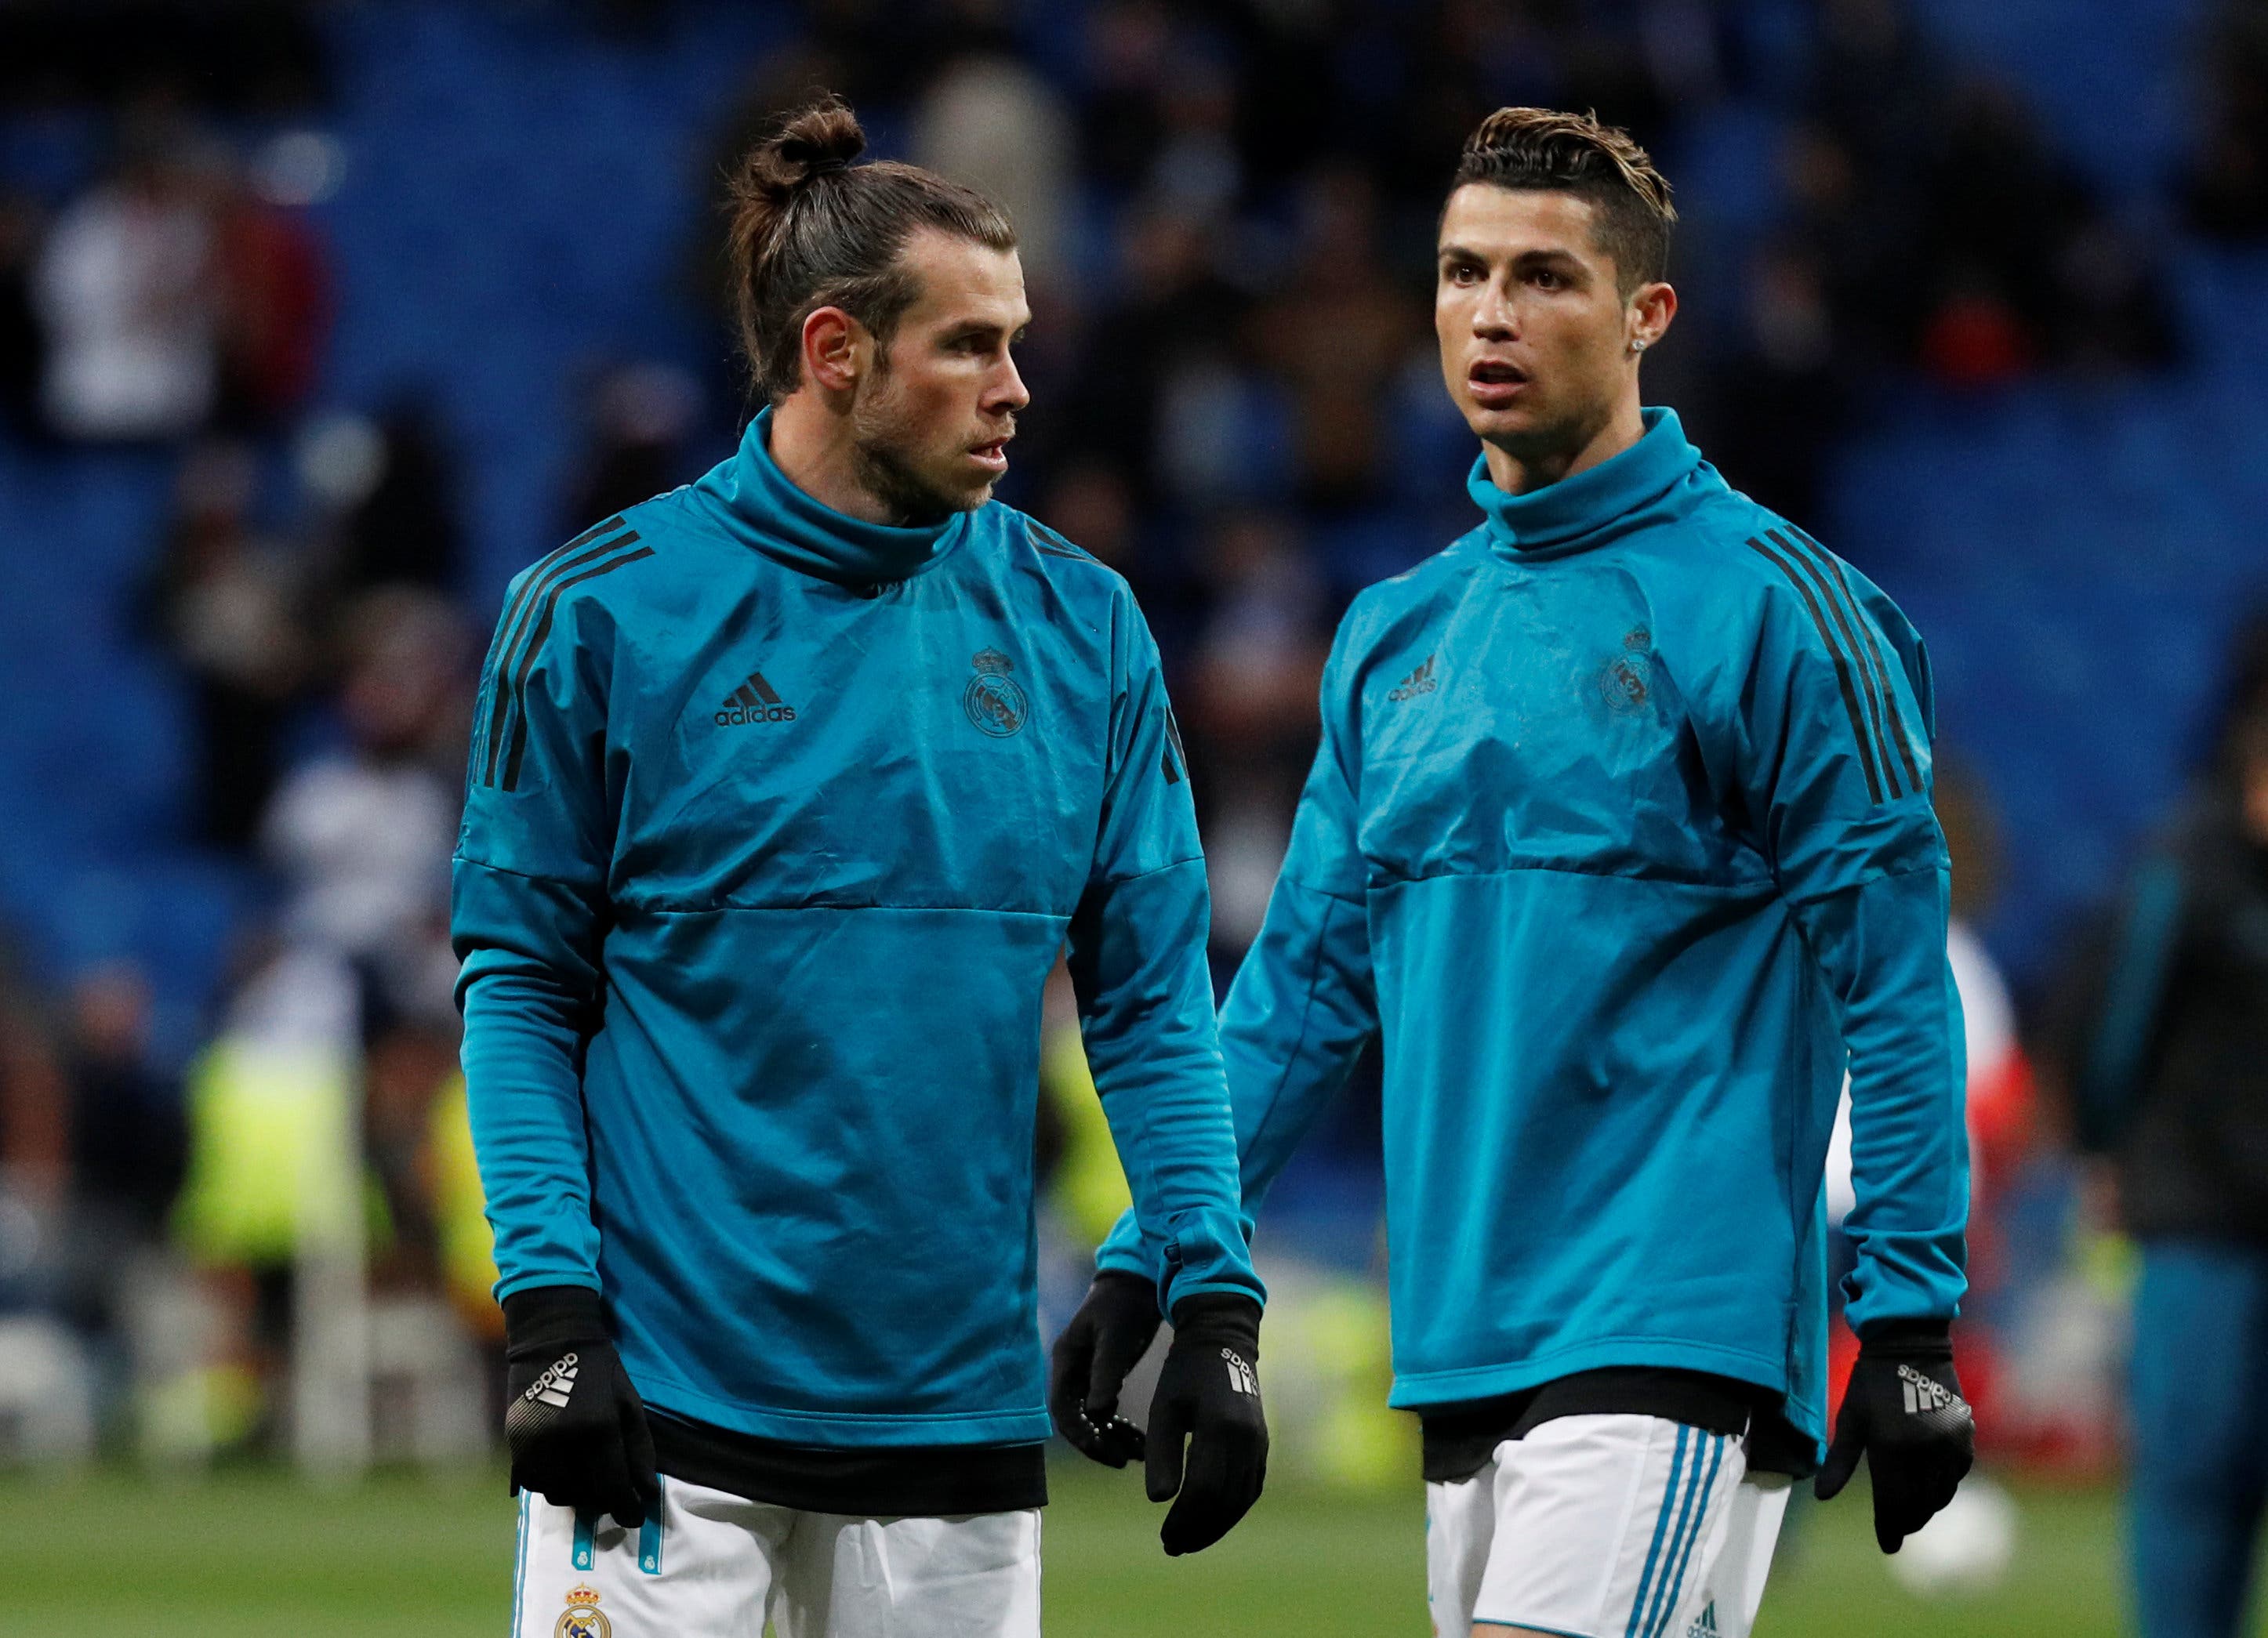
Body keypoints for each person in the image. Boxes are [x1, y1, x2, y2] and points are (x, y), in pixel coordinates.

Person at [1053, 107, 1974, 1638]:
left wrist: (1913, 1312)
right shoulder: (1394, 636)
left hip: (1678, 1312)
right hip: (1468, 1330)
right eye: (1462, 271)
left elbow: (1893, 982)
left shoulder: (1783, 611)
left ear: (1644, 316)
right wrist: (1156, 1253)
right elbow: (1297, 998)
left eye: (1545, 276)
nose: (1491, 311)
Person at [455, 98, 1266, 1638]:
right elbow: (519, 992)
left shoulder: (1086, 630)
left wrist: (1209, 1293)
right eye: (967, 345)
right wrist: (551, 1318)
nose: (1016, 388)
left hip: (952, 1426)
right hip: (661, 1416)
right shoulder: (597, 616)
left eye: (1016, 340)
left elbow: (1154, 1006)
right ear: (838, 353)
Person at [2061, 690, 2268, 1638]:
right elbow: (2111, 1024)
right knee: (2194, 1464)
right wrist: (2102, 1151)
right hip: (2199, 1220)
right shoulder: (2186, 870)